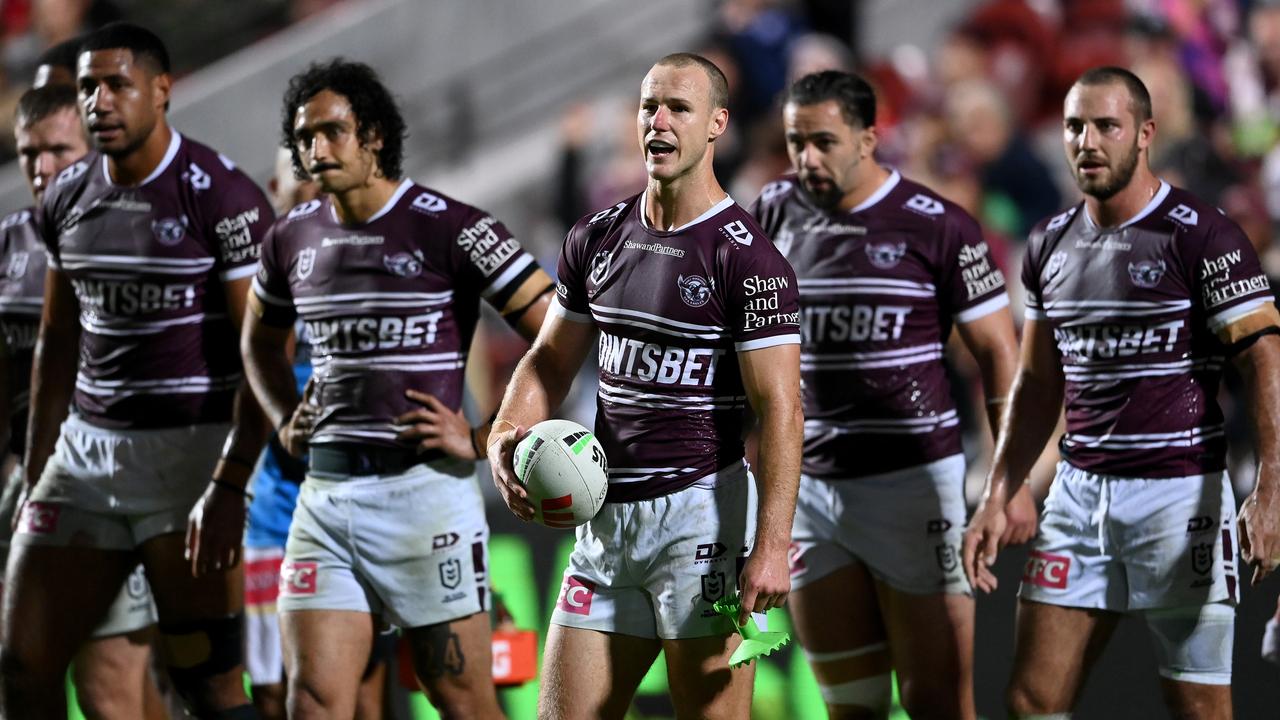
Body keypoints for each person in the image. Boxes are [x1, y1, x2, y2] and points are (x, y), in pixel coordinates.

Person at [487, 52, 803, 719]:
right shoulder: (597, 236)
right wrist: (503, 432)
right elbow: (549, 360)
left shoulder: (748, 258)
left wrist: (772, 546)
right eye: (647, 107)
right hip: (602, 523)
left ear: (718, 123)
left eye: (678, 108)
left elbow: (781, 409)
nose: (658, 121)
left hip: (701, 521)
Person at [963, 66, 1280, 718]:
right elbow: (1038, 381)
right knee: (1030, 700)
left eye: (1107, 125)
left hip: (1180, 493)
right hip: (1080, 495)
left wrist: (1274, 489)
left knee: (1198, 709)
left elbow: (1266, 361)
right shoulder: (1049, 243)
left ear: (1144, 134)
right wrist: (1001, 488)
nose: (1088, 140)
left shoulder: (1202, 234)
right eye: (1075, 125)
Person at [242, 58, 554, 719]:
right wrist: (283, 416)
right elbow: (258, 343)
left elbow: (560, 333)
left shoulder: (452, 228)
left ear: (376, 135)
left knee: (460, 698)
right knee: (315, 700)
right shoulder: (289, 239)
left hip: (425, 498)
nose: (314, 150)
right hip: (324, 499)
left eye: (330, 131)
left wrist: (485, 434)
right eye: (303, 138)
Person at [0, 22, 274, 719]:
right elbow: (58, 342)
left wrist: (230, 484)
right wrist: (38, 470)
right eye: (88, 87)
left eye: (117, 84)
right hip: (85, 457)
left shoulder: (223, 197)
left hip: (185, 462)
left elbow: (260, 355)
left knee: (206, 686)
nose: (99, 101)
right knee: (24, 667)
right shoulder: (67, 197)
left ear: (161, 90)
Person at [748, 69, 1029, 719]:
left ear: (870, 138)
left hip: (911, 488)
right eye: (795, 142)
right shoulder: (771, 213)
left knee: (937, 702)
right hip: (811, 492)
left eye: (823, 141)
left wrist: (1007, 478)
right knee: (851, 706)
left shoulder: (938, 226)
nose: (806, 159)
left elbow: (998, 352)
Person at [1, 80, 168, 720]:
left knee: (107, 689)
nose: (42, 168)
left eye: (59, 150)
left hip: (115, 492)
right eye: (29, 153)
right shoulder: (8, 247)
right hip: (27, 495)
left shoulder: (144, 237)